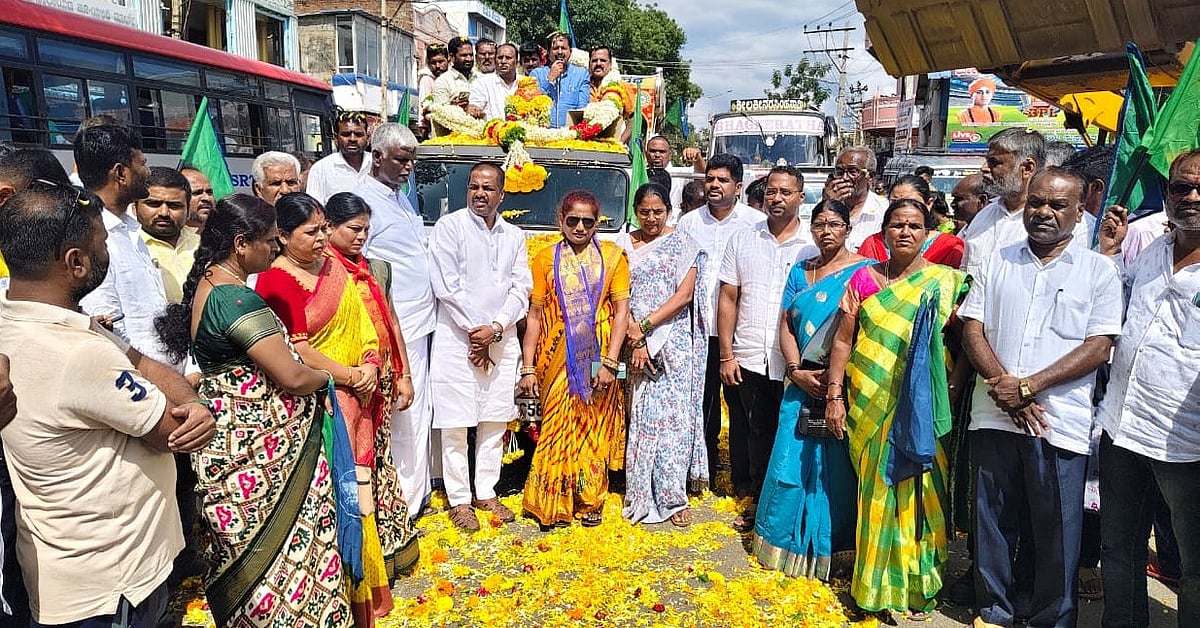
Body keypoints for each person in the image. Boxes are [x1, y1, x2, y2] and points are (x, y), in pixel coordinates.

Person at [0, 183, 215, 627]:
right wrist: (194, 409)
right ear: (75, 262)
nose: (108, 253)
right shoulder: (77, 352)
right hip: (111, 587)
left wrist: (191, 397)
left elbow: (137, 361)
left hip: (74, 572)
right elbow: (171, 431)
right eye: (102, 244)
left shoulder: (20, 315)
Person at [154, 193, 356, 626]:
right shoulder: (236, 300)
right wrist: (335, 378)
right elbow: (293, 377)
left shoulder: (211, 281)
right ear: (241, 243)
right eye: (269, 241)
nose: (276, 248)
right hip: (261, 455)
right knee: (284, 559)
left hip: (237, 445)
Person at [960, 168, 1122, 628]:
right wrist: (1006, 387)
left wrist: (1030, 387)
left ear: (1078, 212)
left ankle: (1054, 617)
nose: (1044, 212)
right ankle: (994, 609)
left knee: (1057, 530)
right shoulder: (998, 259)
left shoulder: (1098, 271)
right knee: (991, 522)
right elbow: (973, 328)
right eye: (1036, 203)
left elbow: (1099, 345)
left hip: (1058, 421)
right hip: (993, 414)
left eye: (1057, 205)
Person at [255, 192, 416, 626]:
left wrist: (368, 366)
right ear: (283, 236)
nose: (323, 239)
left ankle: (367, 588)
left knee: (363, 492)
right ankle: (338, 591)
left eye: (325, 228)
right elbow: (297, 351)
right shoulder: (275, 281)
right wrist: (348, 376)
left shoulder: (335, 272)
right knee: (335, 497)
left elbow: (366, 326)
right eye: (312, 231)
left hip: (358, 396)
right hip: (318, 402)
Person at [824, 197, 970, 617]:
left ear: (928, 233)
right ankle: (874, 589)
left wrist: (955, 384)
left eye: (914, 226)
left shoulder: (946, 282)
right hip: (869, 401)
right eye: (897, 225)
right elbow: (842, 340)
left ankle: (916, 585)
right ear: (883, 233)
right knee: (876, 493)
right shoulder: (863, 281)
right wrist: (835, 394)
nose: (905, 232)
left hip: (922, 407)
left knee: (923, 493)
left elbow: (967, 338)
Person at [1098, 149, 1200, 628]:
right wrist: (1110, 254)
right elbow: (1111, 311)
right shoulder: (1153, 249)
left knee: (1193, 564)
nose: (1192, 196)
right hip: (1123, 427)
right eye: (1182, 187)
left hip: (1187, 444)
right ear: (1167, 193)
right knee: (1119, 547)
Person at [752, 198, 871, 580]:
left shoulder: (864, 273)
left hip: (844, 386)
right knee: (791, 461)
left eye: (835, 224)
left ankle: (835, 549)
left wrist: (837, 379)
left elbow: (867, 332)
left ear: (848, 229)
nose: (826, 231)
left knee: (837, 470)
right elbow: (786, 324)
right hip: (802, 383)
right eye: (819, 224)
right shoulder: (802, 272)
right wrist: (795, 370)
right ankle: (781, 542)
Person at [428, 163, 532, 531]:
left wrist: (497, 328)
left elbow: (522, 288)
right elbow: (446, 286)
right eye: (474, 186)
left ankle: (486, 490)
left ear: (502, 195)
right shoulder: (449, 228)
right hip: (458, 341)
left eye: (488, 188)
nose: (479, 193)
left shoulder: (513, 235)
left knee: (494, 419)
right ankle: (459, 500)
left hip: (500, 342)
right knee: (455, 423)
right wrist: (477, 332)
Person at [518, 190, 630, 529]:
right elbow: (535, 315)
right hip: (554, 356)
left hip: (599, 355)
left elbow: (623, 312)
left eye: (588, 221)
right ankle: (553, 499)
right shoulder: (544, 259)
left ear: (598, 223)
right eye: (573, 220)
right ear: (560, 220)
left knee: (593, 424)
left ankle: (590, 498)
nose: (580, 227)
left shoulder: (613, 258)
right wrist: (527, 367)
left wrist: (611, 363)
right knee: (555, 424)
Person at [717, 166, 816, 519]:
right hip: (751, 355)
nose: (777, 198)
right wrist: (726, 354)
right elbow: (728, 297)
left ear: (800, 198)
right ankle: (759, 508)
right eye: (772, 191)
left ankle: (790, 509)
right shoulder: (743, 238)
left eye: (786, 192)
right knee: (757, 432)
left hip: (799, 363)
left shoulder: (813, 245)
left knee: (793, 436)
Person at [355, 123, 438, 518]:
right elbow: (363, 271)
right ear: (377, 158)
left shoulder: (399, 196)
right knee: (404, 411)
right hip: (394, 325)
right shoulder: (362, 201)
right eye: (401, 160)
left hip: (422, 321)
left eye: (412, 160)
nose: (409, 167)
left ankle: (416, 493)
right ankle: (403, 503)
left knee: (420, 410)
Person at [617, 183, 706, 527]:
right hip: (632, 344)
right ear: (635, 212)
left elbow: (684, 296)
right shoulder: (622, 245)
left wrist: (645, 327)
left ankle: (673, 496)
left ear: (669, 211)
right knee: (640, 416)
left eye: (658, 212)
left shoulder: (684, 244)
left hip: (674, 342)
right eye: (644, 212)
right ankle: (638, 491)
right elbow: (617, 295)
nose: (651, 218)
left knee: (674, 420)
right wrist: (634, 338)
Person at [676, 153, 764, 489]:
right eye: (710, 178)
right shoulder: (690, 222)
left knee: (741, 408)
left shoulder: (755, 224)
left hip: (737, 331)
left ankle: (743, 479)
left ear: (738, 186)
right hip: (695, 330)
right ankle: (703, 472)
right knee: (702, 404)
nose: (713, 185)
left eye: (722, 180)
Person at [75, 121, 176, 366]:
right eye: (143, 164)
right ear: (121, 173)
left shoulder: (130, 227)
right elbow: (111, 331)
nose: (148, 172)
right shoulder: (92, 238)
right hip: (146, 384)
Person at [961, 128, 1088, 279]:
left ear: (1027, 168)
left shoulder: (1070, 224)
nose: (984, 168)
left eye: (994, 162)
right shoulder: (984, 216)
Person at [857, 174, 964, 267]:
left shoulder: (949, 248)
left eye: (911, 201)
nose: (902, 208)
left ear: (929, 204)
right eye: (894, 202)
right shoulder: (873, 244)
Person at [136, 167, 198, 304]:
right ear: (135, 207)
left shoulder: (205, 245)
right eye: (154, 204)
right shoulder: (129, 247)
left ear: (188, 210)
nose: (163, 212)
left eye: (174, 205)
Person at [821, 147, 888, 251]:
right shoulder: (825, 205)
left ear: (870, 176)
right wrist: (831, 206)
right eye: (839, 171)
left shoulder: (884, 211)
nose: (844, 178)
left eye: (853, 171)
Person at [307, 110, 372, 204]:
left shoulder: (379, 165)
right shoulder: (321, 169)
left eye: (358, 134)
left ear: (368, 138)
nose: (352, 139)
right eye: (346, 134)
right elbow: (314, 209)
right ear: (336, 138)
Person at [530, 31, 589, 128]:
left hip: (570, 136)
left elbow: (582, 109)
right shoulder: (536, 74)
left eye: (564, 48)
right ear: (548, 52)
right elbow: (532, 103)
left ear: (570, 51)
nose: (560, 52)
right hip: (543, 135)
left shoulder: (581, 74)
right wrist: (550, 79)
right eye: (556, 48)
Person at [469, 42, 519, 121]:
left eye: (508, 58)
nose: (503, 61)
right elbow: (475, 106)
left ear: (517, 62)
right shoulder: (482, 83)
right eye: (500, 58)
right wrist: (473, 109)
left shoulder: (526, 83)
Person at [431, 36, 474, 112]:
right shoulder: (443, 81)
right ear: (452, 57)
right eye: (464, 55)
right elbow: (438, 114)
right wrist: (453, 107)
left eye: (471, 55)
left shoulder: (479, 78)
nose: (469, 59)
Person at [418, 43, 449, 136]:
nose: (437, 65)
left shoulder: (451, 77)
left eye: (441, 61)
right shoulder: (427, 79)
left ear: (448, 60)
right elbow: (423, 102)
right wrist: (422, 125)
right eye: (433, 62)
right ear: (428, 63)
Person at [180, 167, 215, 235]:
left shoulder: (225, 239)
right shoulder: (159, 241)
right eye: (197, 193)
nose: (207, 198)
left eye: (209, 192)